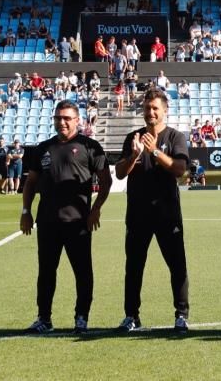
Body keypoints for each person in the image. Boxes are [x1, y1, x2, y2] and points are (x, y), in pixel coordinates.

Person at [20, 100, 112, 334]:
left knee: (83, 272)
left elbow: (106, 181)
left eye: (67, 118)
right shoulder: (41, 148)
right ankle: (44, 318)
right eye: (58, 118)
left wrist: (96, 209)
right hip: (48, 222)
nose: (62, 122)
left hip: (79, 222)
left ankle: (81, 318)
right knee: (46, 272)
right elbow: (30, 183)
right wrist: (26, 211)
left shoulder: (90, 146)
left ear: (77, 120)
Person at [114, 89, 191, 333]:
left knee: (177, 266)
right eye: (147, 108)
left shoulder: (176, 137)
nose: (151, 113)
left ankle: (181, 315)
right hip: (137, 214)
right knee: (134, 267)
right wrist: (135, 155)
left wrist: (156, 151)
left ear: (165, 111)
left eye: (155, 108)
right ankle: (131, 316)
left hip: (167, 214)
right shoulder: (132, 138)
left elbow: (180, 169)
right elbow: (119, 173)